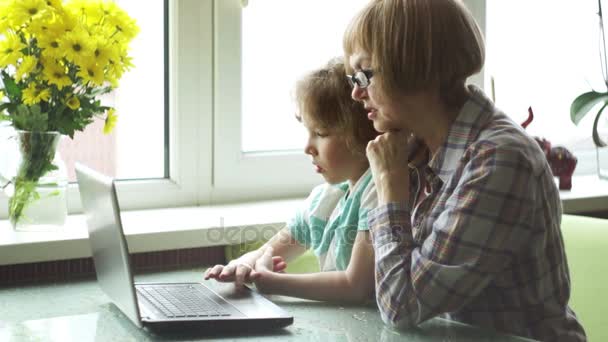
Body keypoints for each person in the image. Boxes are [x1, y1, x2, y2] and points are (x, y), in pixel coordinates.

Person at [342, 0, 586, 340]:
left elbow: (401, 306)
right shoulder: (417, 150)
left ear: (413, 66)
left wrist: (389, 185)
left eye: (364, 74)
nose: (355, 92)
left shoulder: (499, 160)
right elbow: (370, 284)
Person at [204, 57, 380, 303]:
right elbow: (271, 250)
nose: (308, 147)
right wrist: (243, 265)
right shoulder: (326, 199)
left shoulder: (380, 190)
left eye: (320, 133)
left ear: (364, 132)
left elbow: (356, 286)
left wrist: (276, 282)